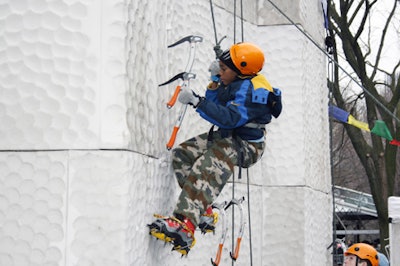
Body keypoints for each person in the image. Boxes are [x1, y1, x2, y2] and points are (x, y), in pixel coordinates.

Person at [148, 42, 282, 255]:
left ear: (240, 71)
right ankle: (204, 211)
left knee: (208, 166)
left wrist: (196, 102)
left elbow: (229, 118)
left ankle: (185, 226)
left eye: (223, 69)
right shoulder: (238, 79)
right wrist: (214, 82)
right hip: (227, 136)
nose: (220, 71)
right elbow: (219, 101)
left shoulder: (254, 91)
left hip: (246, 146)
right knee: (183, 154)